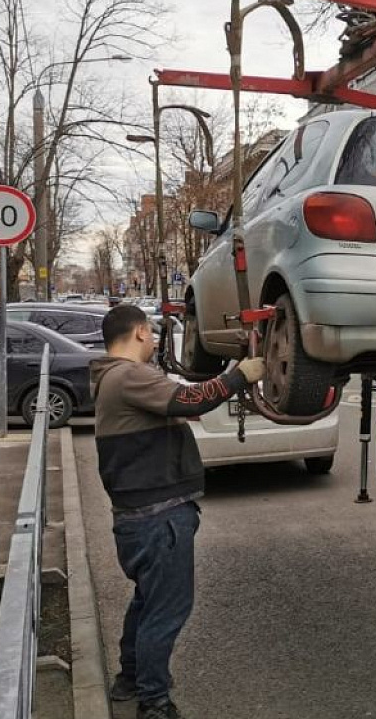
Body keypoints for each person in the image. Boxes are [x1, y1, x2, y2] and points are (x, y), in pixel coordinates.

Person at [89, 305, 264, 719]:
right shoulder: (128, 375)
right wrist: (241, 375)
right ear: (136, 334)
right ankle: (154, 703)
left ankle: (130, 678)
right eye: (149, 333)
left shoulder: (112, 378)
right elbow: (188, 401)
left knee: (147, 603)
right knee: (165, 612)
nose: (152, 340)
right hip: (157, 519)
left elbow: (188, 395)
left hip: (142, 516)